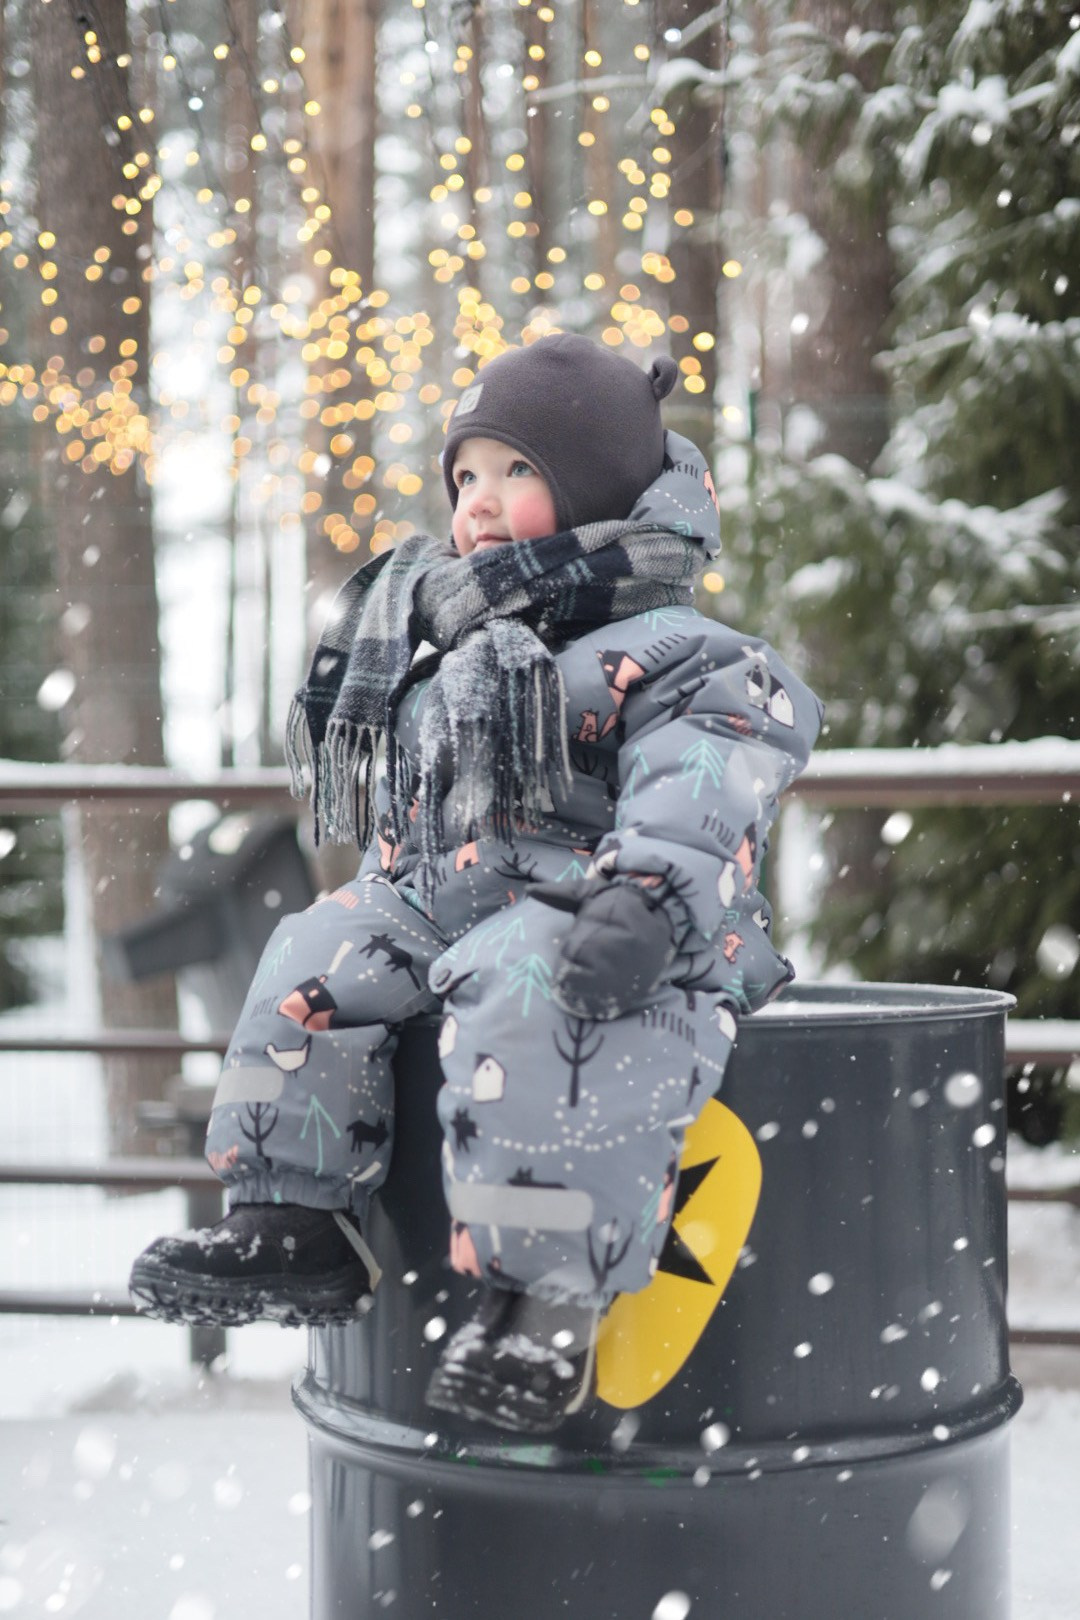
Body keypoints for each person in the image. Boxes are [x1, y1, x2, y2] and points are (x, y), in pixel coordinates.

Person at [130, 333, 823, 1433]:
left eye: (517, 472)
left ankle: (542, 1300)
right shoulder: (449, 635)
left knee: (539, 994)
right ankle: (292, 1215)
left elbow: (706, 782)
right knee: (320, 947)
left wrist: (644, 897)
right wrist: (386, 890)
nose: (479, 502)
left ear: (594, 485)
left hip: (610, 915)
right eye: (465, 475)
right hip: (443, 896)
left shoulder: (683, 651)